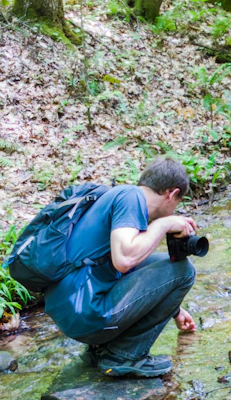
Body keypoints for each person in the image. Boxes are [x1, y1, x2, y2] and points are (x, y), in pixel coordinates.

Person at [43, 158, 199, 378]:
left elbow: (126, 271)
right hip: (85, 314)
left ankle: (100, 351)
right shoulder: (131, 198)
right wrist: (163, 224)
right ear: (171, 194)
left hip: (71, 310)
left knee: (161, 261)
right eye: (177, 204)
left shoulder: (115, 196)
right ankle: (123, 355)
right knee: (184, 271)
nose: (174, 211)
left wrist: (174, 310)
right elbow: (124, 260)